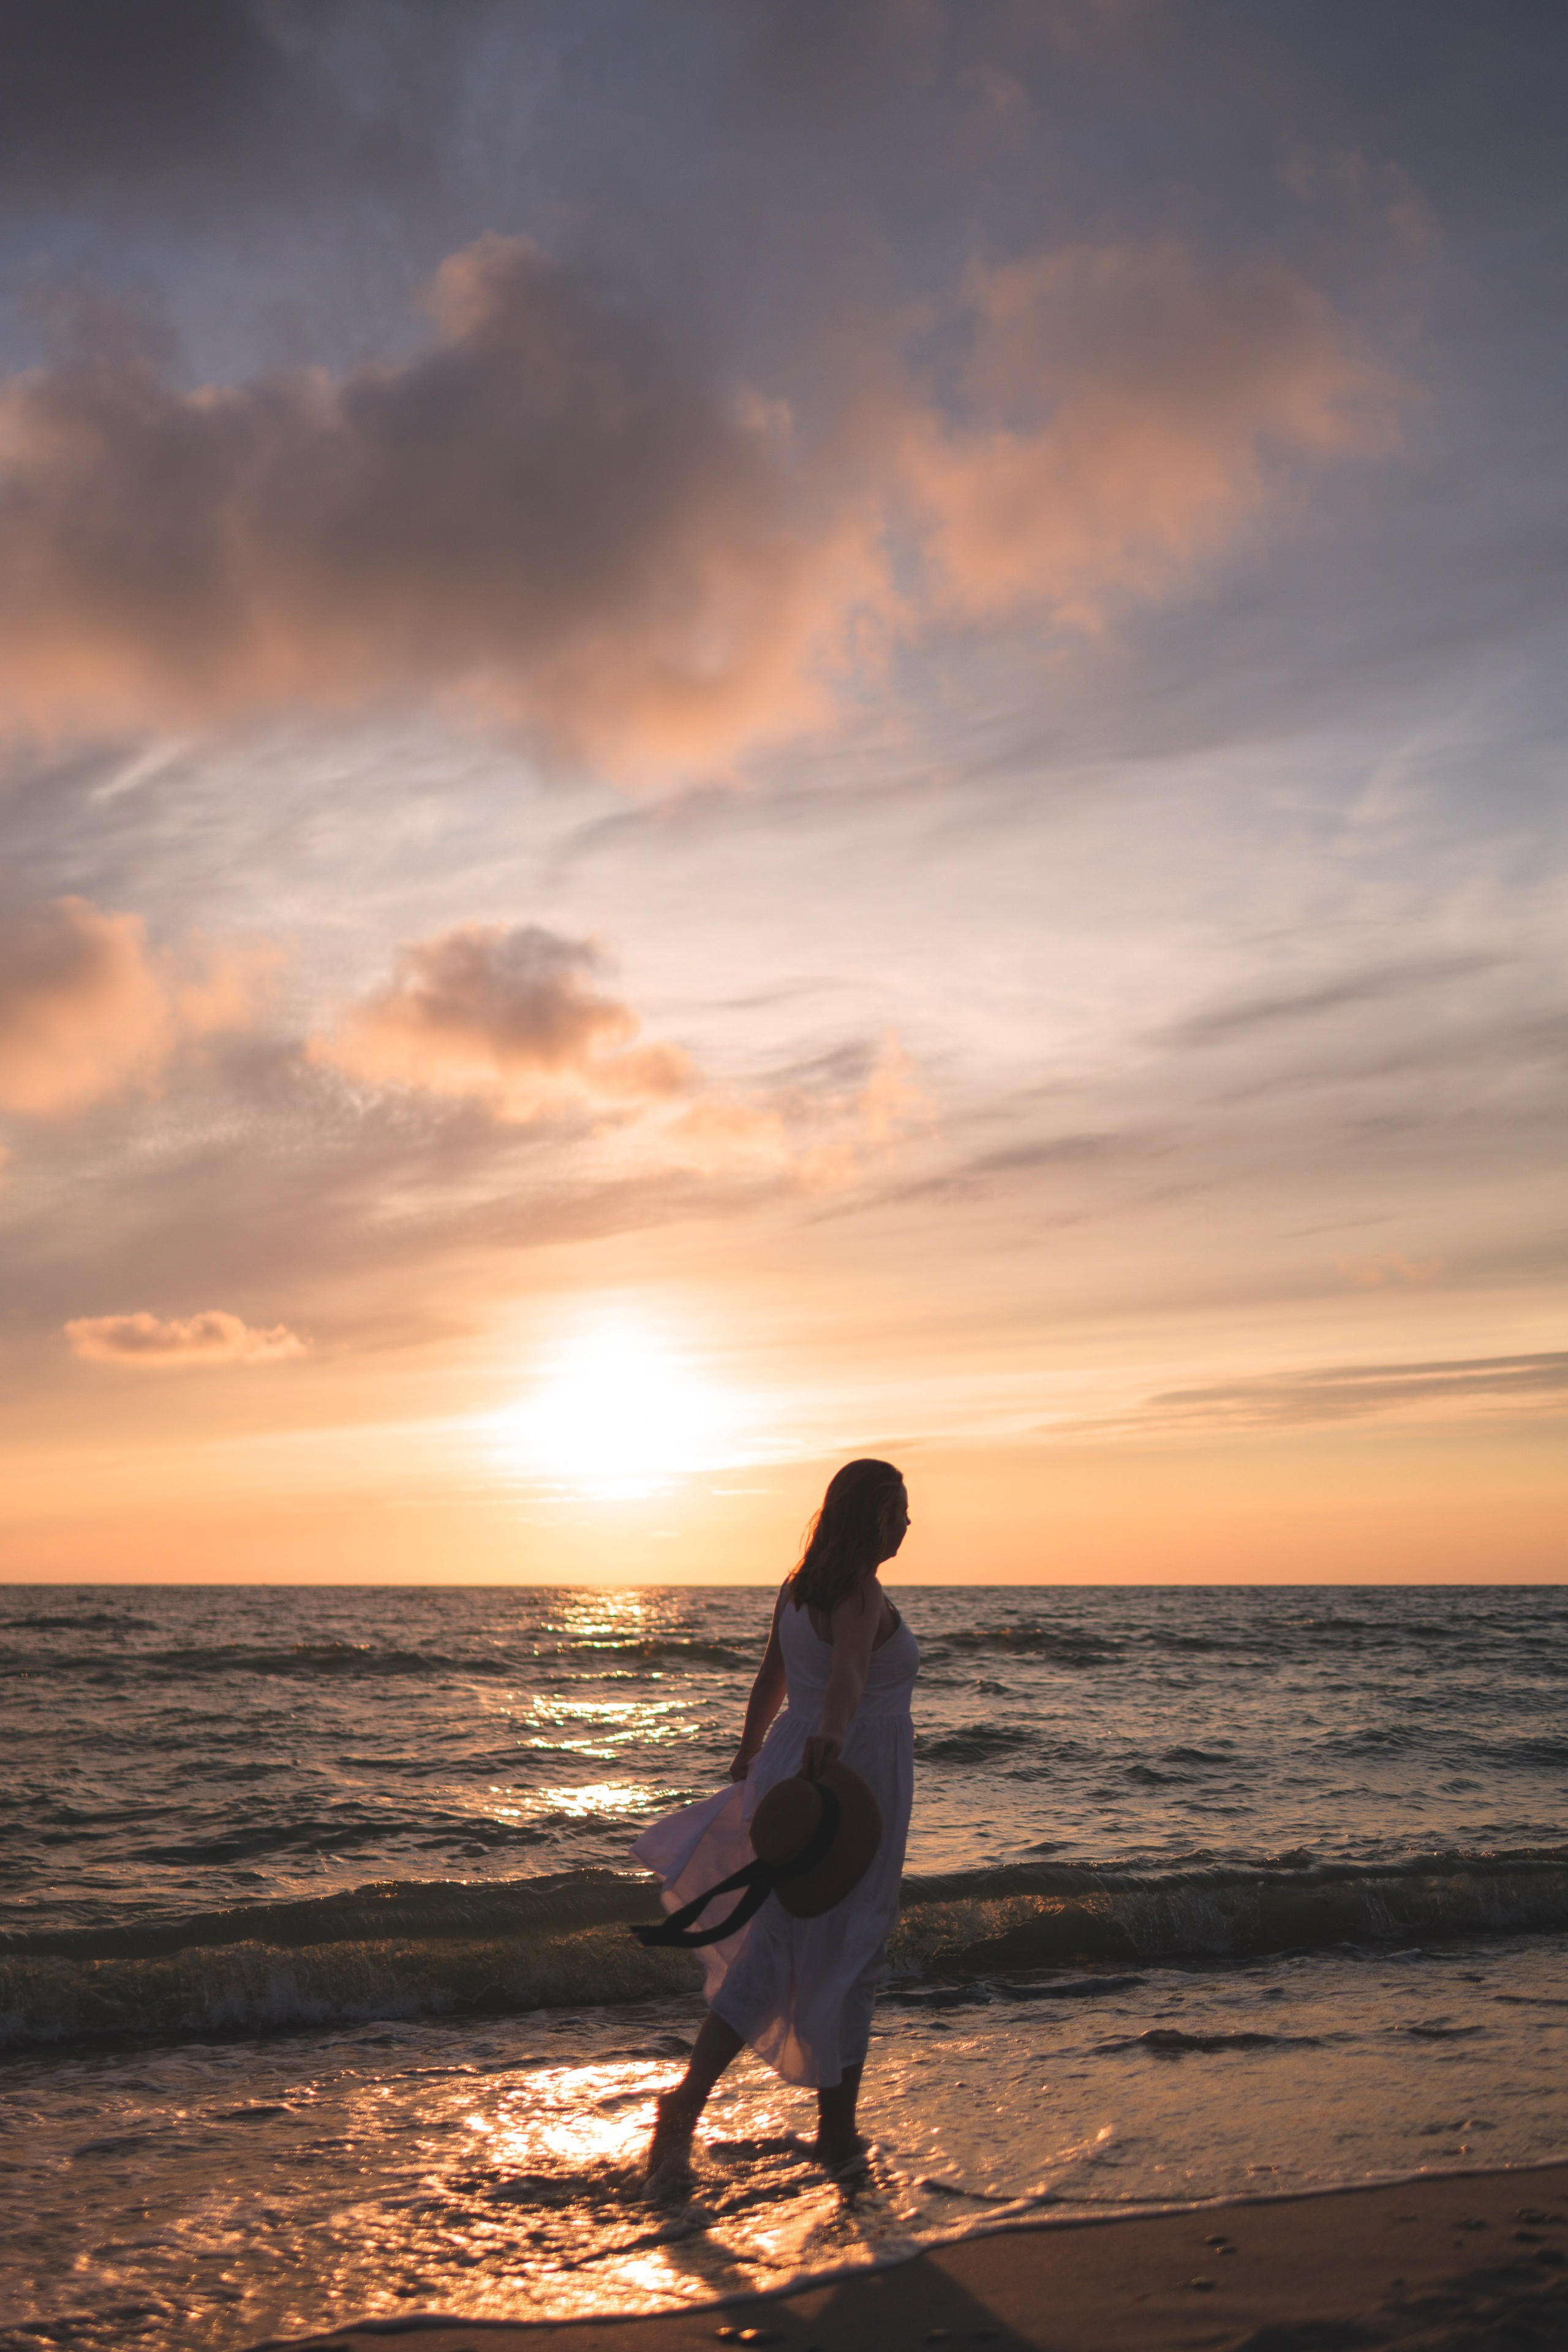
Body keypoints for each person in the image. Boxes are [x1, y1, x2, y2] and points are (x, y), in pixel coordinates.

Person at [630, 1458, 918, 2187]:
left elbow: (770, 1680)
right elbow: (849, 1673)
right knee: (848, 1946)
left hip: (793, 1768)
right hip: (846, 1780)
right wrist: (832, 1732)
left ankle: (729, 2114)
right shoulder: (858, 1593)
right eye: (898, 1512)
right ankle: (827, 2134)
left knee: (782, 1943)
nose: (908, 1524)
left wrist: (751, 1750)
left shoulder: (796, 1589)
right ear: (870, 1517)